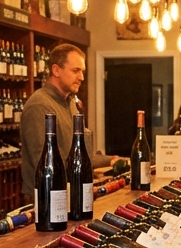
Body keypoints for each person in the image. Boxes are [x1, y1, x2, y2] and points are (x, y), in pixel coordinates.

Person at [21, 44, 116, 192]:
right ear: (56, 70)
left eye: (82, 71)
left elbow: (79, 154)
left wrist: (112, 160)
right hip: (47, 200)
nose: (81, 77)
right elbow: (45, 165)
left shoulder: (70, 103)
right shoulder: (39, 105)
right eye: (75, 71)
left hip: (70, 195)